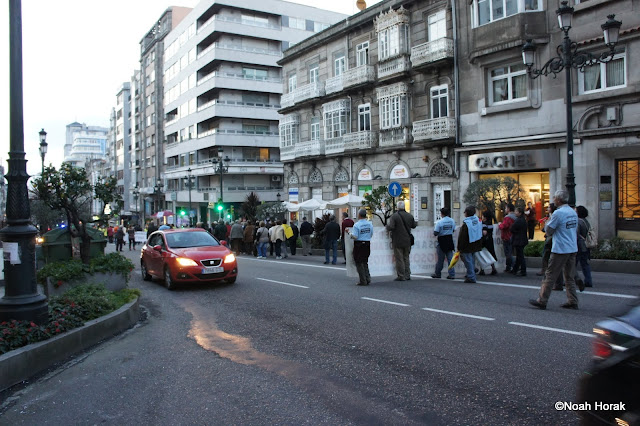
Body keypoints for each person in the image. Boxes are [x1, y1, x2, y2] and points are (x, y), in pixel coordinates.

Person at [529, 190, 582, 310]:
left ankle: (542, 300)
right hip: (572, 246)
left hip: (560, 248)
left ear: (558, 199)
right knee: (569, 275)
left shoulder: (558, 213)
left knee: (550, 274)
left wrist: (548, 221)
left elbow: (549, 231)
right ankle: (572, 300)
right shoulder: (572, 212)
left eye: (554, 198)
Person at [386, 200, 416, 281]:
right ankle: (407, 274)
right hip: (408, 240)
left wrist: (386, 227)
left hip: (397, 240)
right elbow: (414, 225)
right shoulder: (410, 216)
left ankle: (401, 275)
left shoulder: (394, 216)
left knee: (399, 258)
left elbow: (391, 227)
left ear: (397, 207)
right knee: (406, 257)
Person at [347, 209, 373, 286]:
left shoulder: (357, 225)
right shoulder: (369, 224)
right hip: (367, 243)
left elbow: (355, 236)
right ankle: (368, 278)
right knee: (365, 261)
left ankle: (363, 280)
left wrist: (349, 233)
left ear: (359, 215)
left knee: (359, 262)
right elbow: (371, 233)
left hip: (359, 244)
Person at [457, 206, 483, 283]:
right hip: (476, 243)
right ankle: (471, 273)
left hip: (467, 245)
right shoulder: (478, 220)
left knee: (468, 261)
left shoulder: (466, 223)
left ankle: (471, 276)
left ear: (467, 213)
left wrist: (459, 247)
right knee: (471, 260)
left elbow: (462, 237)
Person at [431, 207, 456, 280]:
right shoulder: (452, 221)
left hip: (442, 240)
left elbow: (436, 232)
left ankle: (438, 273)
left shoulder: (440, 222)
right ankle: (452, 274)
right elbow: (453, 230)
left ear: (442, 214)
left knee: (440, 259)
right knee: (450, 259)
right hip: (449, 240)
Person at [575, 205, 594, 288]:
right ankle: (588, 280)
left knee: (572, 264)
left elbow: (576, 234)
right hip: (586, 245)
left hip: (579, 245)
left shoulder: (578, 221)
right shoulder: (586, 221)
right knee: (585, 264)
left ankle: (572, 279)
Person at [510, 207, 529, 276]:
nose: (515, 213)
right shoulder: (523, 219)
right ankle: (515, 269)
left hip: (519, 240)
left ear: (520, 213)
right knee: (519, 255)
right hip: (522, 239)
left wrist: (513, 231)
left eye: (516, 211)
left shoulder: (519, 220)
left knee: (520, 256)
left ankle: (523, 270)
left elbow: (512, 228)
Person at [479, 210, 498, 276]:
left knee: (482, 255)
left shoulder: (483, 223)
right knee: (491, 254)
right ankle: (493, 268)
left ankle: (482, 269)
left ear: (485, 217)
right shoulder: (490, 223)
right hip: (490, 240)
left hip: (484, 241)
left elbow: (484, 232)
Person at [498, 203, 516, 272]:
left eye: (506, 208)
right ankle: (511, 266)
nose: (505, 209)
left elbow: (503, 226)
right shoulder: (516, 217)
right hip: (513, 236)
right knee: (511, 252)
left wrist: (500, 224)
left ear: (508, 209)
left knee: (508, 253)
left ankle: (512, 266)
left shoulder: (508, 217)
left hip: (507, 236)